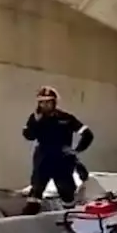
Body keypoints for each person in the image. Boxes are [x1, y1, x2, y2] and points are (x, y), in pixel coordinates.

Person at [22, 86, 94, 214]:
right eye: (42, 102)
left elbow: (87, 134)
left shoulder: (66, 118)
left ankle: (72, 220)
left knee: (67, 193)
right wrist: (36, 122)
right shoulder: (35, 118)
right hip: (43, 159)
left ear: (54, 102)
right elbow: (29, 136)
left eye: (48, 101)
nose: (45, 105)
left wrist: (76, 150)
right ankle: (27, 221)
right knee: (36, 191)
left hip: (62, 161)